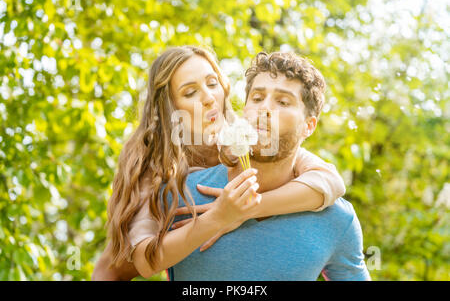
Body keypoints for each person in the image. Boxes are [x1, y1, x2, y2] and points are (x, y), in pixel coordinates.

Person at [92, 46, 346, 280]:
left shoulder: (242, 136)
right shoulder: (154, 163)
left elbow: (330, 181)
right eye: (190, 92)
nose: (209, 98)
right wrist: (218, 217)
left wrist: (249, 209)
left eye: (212, 83)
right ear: (169, 108)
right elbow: (144, 262)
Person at [148, 51, 370, 280]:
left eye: (283, 102)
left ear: (309, 126)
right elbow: (124, 266)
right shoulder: (180, 194)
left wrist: (248, 209)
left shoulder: (336, 220)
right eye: (256, 98)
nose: (263, 109)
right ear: (244, 111)